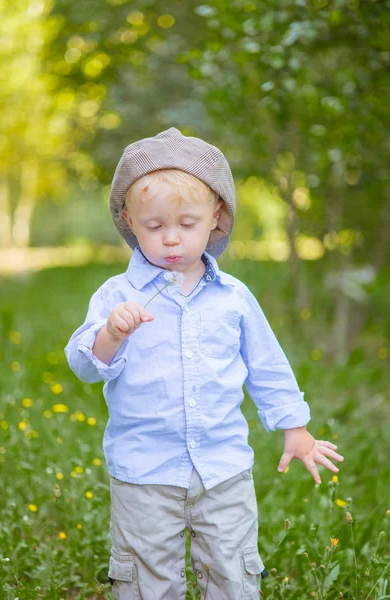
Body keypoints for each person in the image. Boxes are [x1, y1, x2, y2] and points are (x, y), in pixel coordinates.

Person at [64, 127, 344, 600]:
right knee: (145, 577)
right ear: (130, 220)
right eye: (154, 226)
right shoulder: (117, 295)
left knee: (233, 571)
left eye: (187, 224)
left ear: (216, 217)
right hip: (144, 472)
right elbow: (84, 365)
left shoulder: (233, 297)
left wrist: (294, 428)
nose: (171, 239)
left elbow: (266, 365)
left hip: (224, 469)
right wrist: (110, 334)